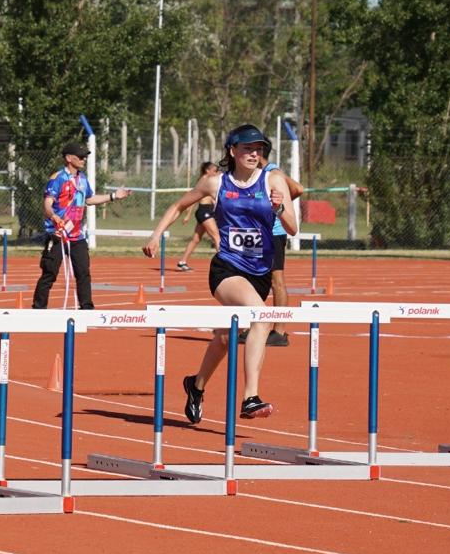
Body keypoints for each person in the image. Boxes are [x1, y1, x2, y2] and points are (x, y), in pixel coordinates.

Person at [143, 124, 298, 421]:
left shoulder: (273, 179)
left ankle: (196, 385)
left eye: (259, 149)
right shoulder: (216, 183)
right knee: (261, 317)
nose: (254, 154)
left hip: (259, 271)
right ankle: (250, 397)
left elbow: (292, 228)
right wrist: (155, 236)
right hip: (227, 267)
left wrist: (279, 209)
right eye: (248, 149)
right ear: (232, 151)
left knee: (227, 337)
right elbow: (178, 205)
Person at [32, 142, 130, 310]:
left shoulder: (82, 179)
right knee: (49, 273)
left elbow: (89, 199)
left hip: (77, 235)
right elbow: (47, 204)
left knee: (83, 272)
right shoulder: (58, 179)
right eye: (81, 156)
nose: (84, 159)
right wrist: (54, 216)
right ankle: (38, 308)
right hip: (58, 234)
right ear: (69, 158)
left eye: (85, 156)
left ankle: (86, 307)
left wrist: (113, 196)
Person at [261, 159, 306, 347]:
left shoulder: (272, 171)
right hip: (259, 231)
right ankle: (248, 327)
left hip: (275, 232)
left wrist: (279, 206)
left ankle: (279, 331)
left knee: (276, 280)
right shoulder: (252, 173)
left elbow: (298, 189)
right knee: (252, 277)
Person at [176, 162, 220, 272]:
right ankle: (224, 264)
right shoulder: (204, 180)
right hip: (205, 211)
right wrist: (187, 215)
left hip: (207, 211)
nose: (216, 173)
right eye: (214, 171)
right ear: (207, 171)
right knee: (217, 237)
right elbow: (193, 198)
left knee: (196, 239)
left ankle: (182, 262)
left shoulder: (210, 181)